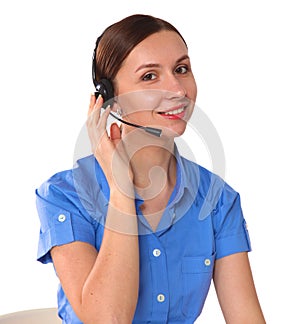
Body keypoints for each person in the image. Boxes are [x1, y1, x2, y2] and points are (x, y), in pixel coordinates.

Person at [36, 14, 266, 323]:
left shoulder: (218, 201)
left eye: (181, 69)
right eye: (149, 76)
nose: (177, 89)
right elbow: (107, 320)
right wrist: (120, 191)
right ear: (110, 101)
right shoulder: (64, 196)